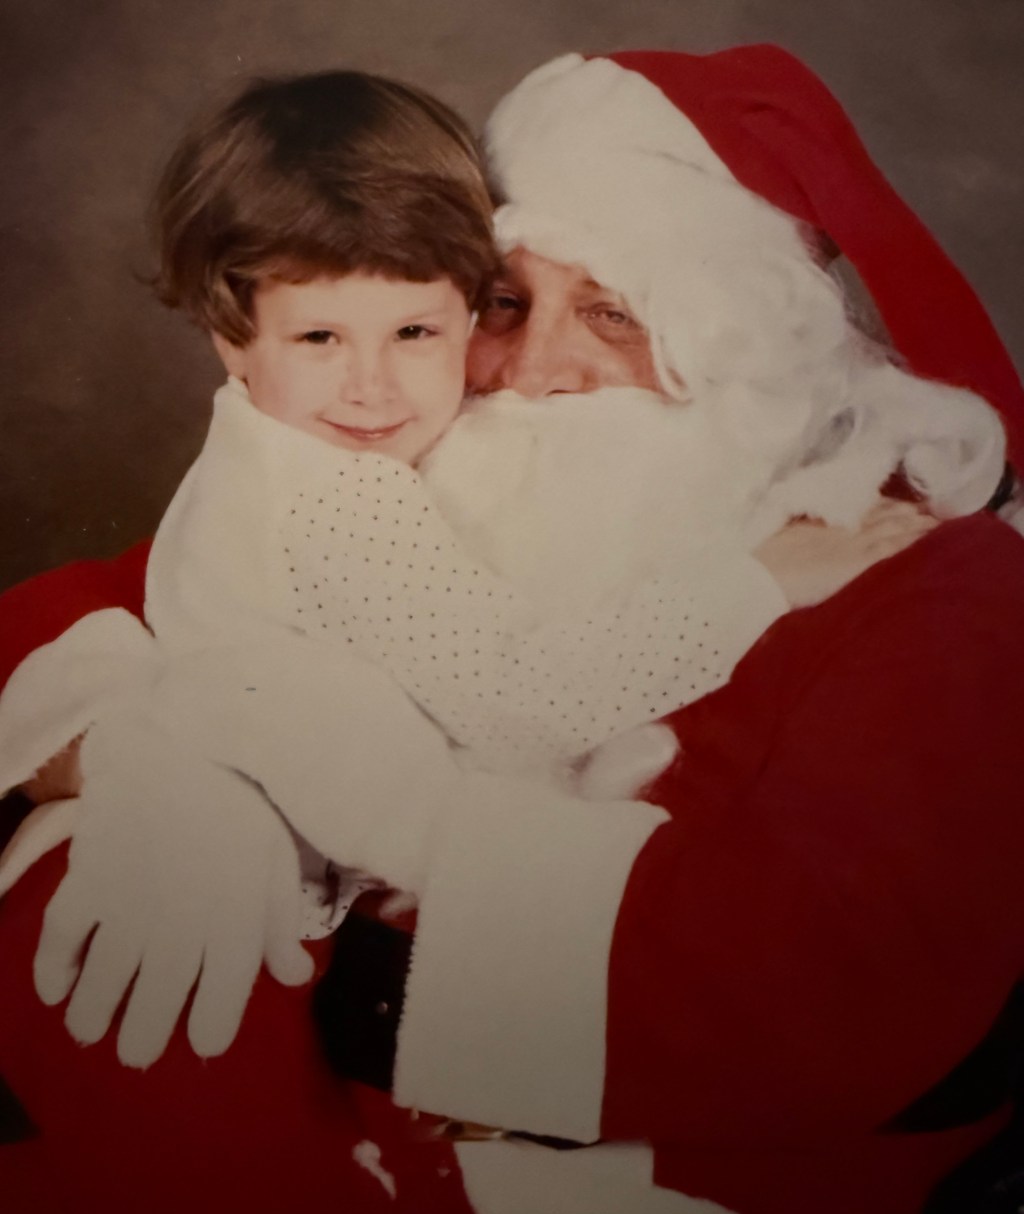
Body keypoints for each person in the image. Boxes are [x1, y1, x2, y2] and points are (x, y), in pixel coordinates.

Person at [2, 44, 1024, 1214]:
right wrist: (147, 760)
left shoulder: (935, 578)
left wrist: (336, 901)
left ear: (753, 349)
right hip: (313, 1160)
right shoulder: (410, 463)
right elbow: (108, 611)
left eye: (615, 314)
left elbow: (817, 993)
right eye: (500, 303)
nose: (534, 372)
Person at [0, 67, 930, 1070]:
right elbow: (523, 698)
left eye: (416, 333)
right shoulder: (345, 493)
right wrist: (757, 588)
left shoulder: (285, 435)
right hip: (337, 898)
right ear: (234, 341)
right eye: (507, 304)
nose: (372, 388)